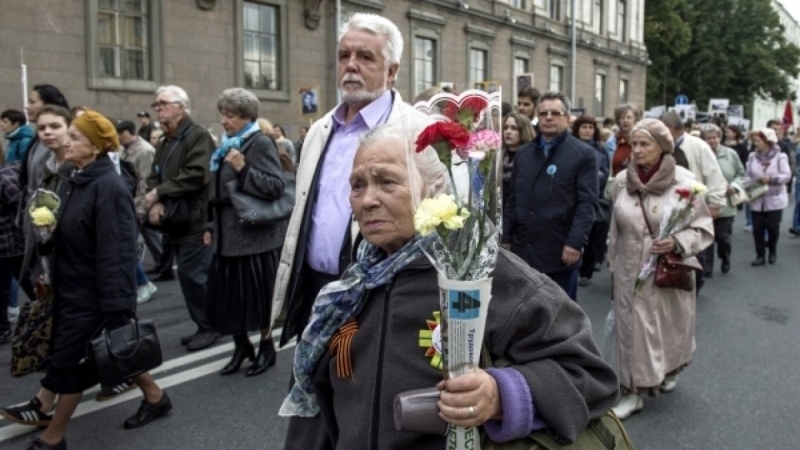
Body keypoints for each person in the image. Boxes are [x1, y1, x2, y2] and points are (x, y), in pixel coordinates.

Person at [279, 125, 619, 448]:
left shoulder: (480, 271)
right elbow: (315, 410)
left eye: (387, 182)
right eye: (357, 185)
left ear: (436, 187)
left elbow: (589, 376)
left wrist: (501, 395)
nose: (368, 199)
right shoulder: (348, 289)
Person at [270, 13, 438, 450]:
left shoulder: (418, 132)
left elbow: (442, 221)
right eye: (344, 55)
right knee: (310, 398)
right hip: (317, 289)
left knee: (361, 407)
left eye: (365, 56)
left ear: (392, 70)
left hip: (379, 291)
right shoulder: (321, 130)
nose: (351, 65)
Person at [19, 110, 171, 450]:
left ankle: (53, 437)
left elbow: (116, 250)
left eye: (74, 136)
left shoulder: (109, 185)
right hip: (70, 287)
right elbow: (77, 232)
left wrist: (117, 306)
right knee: (111, 353)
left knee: (68, 362)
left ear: (96, 147)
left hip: (93, 292)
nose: (65, 140)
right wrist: (47, 236)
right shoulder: (77, 177)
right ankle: (156, 396)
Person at [608, 118, 714, 420]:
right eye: (634, 144)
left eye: (645, 144)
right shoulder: (621, 182)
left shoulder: (684, 182)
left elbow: (704, 228)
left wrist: (677, 241)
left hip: (665, 269)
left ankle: (668, 368)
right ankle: (632, 391)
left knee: (669, 326)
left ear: (663, 147)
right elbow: (615, 229)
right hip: (630, 272)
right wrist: (612, 262)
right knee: (632, 331)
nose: (637, 151)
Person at [206, 88, 288, 377]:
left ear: (247, 116)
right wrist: (210, 225)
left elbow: (275, 187)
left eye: (230, 115)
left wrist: (243, 170)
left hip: (254, 239)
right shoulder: (227, 144)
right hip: (228, 237)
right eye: (223, 114)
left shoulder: (260, 143)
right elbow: (214, 190)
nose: (224, 121)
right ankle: (241, 346)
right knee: (230, 298)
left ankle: (266, 347)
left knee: (258, 298)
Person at [502, 91, 598, 301]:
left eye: (555, 113)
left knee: (560, 318)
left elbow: (587, 204)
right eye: (543, 113)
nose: (548, 117)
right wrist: (506, 237)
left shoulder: (582, 154)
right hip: (523, 251)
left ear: (566, 117)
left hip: (559, 251)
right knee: (524, 315)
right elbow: (513, 199)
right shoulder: (525, 154)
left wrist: (574, 243)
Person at [144, 85, 217, 352]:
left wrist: (159, 192)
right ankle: (205, 324)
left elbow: (198, 174)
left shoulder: (197, 135)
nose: (158, 108)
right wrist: (157, 198)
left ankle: (209, 326)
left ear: (181, 107)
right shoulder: (166, 140)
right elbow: (155, 173)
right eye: (157, 104)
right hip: (176, 218)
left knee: (194, 276)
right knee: (189, 276)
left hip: (194, 219)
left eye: (163, 103)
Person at [660, 111, 727, 291]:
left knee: (694, 249)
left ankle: (695, 282)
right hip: (668, 208)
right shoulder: (662, 147)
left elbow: (714, 176)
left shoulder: (699, 146)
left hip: (694, 208)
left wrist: (714, 203)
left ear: (670, 129)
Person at [116, 120, 158, 303]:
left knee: (126, 247)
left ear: (128, 133)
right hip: (126, 203)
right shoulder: (123, 149)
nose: (118, 137)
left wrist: (141, 208)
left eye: (120, 133)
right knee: (126, 246)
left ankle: (143, 282)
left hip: (136, 204)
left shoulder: (145, 150)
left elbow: (145, 182)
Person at [700, 124, 745, 275]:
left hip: (725, 204)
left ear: (719, 138)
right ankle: (707, 267)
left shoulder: (730, 154)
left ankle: (725, 257)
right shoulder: (700, 154)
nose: (712, 141)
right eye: (708, 138)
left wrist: (734, 186)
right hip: (706, 203)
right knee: (707, 237)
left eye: (714, 137)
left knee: (722, 237)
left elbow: (741, 174)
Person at [572, 115, 610, 286]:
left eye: (590, 127)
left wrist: (590, 177)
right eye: (584, 127)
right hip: (572, 197)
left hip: (595, 196)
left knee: (592, 235)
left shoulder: (600, 150)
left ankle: (586, 272)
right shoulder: (570, 147)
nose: (587, 130)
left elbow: (604, 173)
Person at [746, 128, 791, 266]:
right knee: (757, 227)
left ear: (767, 141)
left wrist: (771, 179)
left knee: (772, 227)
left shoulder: (780, 157)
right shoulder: (752, 156)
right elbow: (747, 174)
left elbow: (786, 175)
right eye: (754, 141)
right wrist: (747, 185)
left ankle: (772, 249)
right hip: (757, 197)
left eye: (758, 141)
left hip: (775, 198)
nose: (755, 144)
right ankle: (760, 255)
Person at [0, 150, 23, 344]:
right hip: (6, 246)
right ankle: (3, 327)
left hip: (12, 245)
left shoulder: (5, 178)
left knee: (33, 286)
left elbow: (21, 208)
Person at [500, 112, 535, 208]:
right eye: (505, 128)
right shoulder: (499, 157)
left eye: (514, 128)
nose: (508, 131)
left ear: (523, 131)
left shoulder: (531, 158)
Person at [605, 104, 640, 177]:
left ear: (635, 119)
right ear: (618, 121)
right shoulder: (611, 141)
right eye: (622, 118)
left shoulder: (642, 139)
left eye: (629, 117)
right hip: (616, 182)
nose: (625, 120)